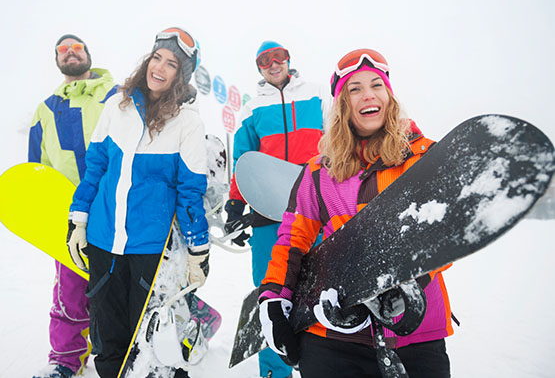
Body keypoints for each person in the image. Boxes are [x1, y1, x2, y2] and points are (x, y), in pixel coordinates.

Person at [257, 49, 453, 378]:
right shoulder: (319, 171)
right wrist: (275, 298)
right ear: (343, 104)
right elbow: (293, 237)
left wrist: (404, 281)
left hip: (414, 333)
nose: (368, 95)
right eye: (355, 88)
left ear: (388, 95)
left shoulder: (421, 157)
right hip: (332, 335)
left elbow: (445, 229)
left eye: (376, 85)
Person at [66, 27, 209, 378]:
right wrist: (79, 220)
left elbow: (190, 192)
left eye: (171, 63)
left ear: (182, 75)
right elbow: (95, 166)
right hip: (103, 240)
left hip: (149, 248)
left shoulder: (187, 123)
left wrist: (197, 252)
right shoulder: (118, 105)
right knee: (108, 339)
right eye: (156, 57)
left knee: (149, 342)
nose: (159, 67)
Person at [224, 41, 329, 378]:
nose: (272, 64)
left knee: (321, 283)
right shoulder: (253, 108)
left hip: (314, 202)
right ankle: (274, 371)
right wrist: (236, 202)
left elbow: (337, 140)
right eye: (264, 61)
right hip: (269, 207)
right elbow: (244, 157)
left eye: (278, 57)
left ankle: (322, 363)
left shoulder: (315, 95)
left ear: (288, 60)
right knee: (270, 289)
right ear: (258, 68)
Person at [29, 34, 117, 378]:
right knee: (69, 290)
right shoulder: (45, 110)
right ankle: (65, 361)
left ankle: (124, 350)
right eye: (62, 50)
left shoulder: (117, 96)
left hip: (117, 210)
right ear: (56, 60)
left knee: (120, 286)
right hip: (70, 216)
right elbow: (38, 168)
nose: (69, 53)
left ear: (88, 55)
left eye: (76, 47)